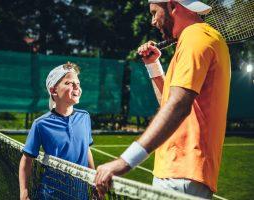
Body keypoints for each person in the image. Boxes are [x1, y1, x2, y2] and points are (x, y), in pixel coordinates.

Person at [94, 0, 231, 199]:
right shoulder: (197, 38)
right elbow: (170, 103)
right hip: (178, 172)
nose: (152, 21)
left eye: (154, 12)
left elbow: (178, 106)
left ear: (173, 6)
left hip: (182, 172)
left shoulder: (196, 38)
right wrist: (153, 65)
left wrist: (124, 162)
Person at [19, 62, 95, 200]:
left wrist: (94, 182)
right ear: (54, 90)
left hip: (81, 194)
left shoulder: (84, 117)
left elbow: (86, 150)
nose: (77, 86)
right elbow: (26, 160)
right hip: (51, 195)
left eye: (78, 83)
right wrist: (24, 192)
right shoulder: (40, 124)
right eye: (69, 83)